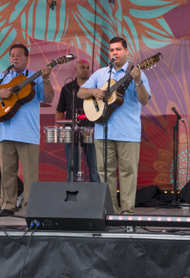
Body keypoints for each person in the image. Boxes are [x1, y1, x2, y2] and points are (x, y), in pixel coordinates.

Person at [0, 43, 54, 216]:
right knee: (7, 172)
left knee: (30, 175)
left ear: (27, 59)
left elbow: (48, 97)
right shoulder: (2, 78)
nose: (15, 58)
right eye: (12, 55)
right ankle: (7, 206)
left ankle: (31, 207)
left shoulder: (36, 77)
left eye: (19, 55)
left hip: (27, 132)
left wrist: (47, 79)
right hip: (6, 132)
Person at [77, 37, 150, 214]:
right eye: (112, 50)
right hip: (103, 132)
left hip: (128, 131)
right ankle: (109, 211)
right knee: (105, 172)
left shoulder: (136, 72)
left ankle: (126, 212)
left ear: (126, 51)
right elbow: (80, 92)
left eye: (118, 49)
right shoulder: (101, 74)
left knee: (128, 173)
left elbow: (144, 100)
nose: (115, 53)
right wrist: (94, 91)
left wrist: (138, 81)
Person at [56, 59, 100, 183]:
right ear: (75, 69)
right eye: (82, 67)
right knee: (72, 166)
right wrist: (58, 128)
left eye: (87, 67)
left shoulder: (95, 88)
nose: (85, 70)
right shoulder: (67, 88)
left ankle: (96, 196)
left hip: (91, 129)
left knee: (94, 166)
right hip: (71, 130)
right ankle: (71, 194)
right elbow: (60, 110)